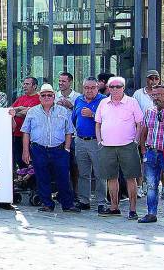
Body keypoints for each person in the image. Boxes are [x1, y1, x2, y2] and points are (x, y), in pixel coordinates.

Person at [21, 83, 79, 213]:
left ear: (54, 97)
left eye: (49, 95)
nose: (46, 97)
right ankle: (47, 203)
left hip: (59, 150)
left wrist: (67, 149)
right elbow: (26, 132)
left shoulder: (63, 111)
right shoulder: (32, 111)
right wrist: (26, 151)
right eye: (43, 95)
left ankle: (67, 204)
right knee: (42, 177)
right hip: (39, 149)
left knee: (63, 177)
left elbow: (69, 131)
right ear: (39, 97)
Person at [95, 76, 143, 219]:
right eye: (112, 87)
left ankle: (133, 209)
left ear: (123, 88)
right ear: (108, 88)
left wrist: (136, 141)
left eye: (118, 86)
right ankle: (114, 207)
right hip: (107, 146)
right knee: (111, 177)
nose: (115, 89)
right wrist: (99, 141)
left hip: (128, 146)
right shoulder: (103, 103)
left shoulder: (132, 102)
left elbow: (140, 123)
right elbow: (98, 123)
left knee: (131, 177)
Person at [71, 77, 108, 212]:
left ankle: (101, 202)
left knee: (100, 173)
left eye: (92, 88)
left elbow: (108, 120)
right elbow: (74, 119)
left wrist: (92, 114)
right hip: (80, 140)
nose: (89, 90)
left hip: (97, 141)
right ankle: (84, 200)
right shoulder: (78, 100)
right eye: (86, 87)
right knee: (83, 173)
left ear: (97, 88)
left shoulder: (104, 100)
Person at [137, 84, 164, 223]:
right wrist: (143, 150)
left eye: (159, 95)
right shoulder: (149, 111)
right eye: (154, 95)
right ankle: (151, 214)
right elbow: (144, 131)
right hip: (151, 152)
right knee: (151, 185)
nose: (155, 97)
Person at [10, 77, 41, 171]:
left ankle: (30, 184)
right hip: (17, 134)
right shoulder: (21, 98)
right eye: (24, 84)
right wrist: (20, 108)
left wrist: (17, 112)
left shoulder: (38, 99)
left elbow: (28, 114)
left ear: (34, 86)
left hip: (30, 136)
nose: (24, 86)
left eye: (27, 84)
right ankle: (22, 182)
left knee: (29, 161)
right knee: (19, 160)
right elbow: (9, 110)